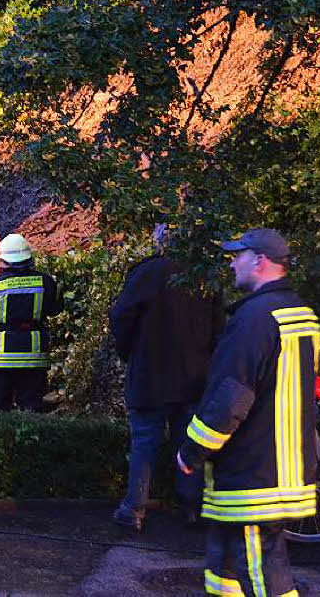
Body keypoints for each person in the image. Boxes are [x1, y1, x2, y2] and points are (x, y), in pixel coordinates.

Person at [177, 229, 320, 597]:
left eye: (237, 255)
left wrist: (191, 451)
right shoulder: (300, 314)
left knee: (261, 572)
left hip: (253, 474)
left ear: (260, 261)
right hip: (280, 468)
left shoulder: (254, 319)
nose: (231, 262)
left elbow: (230, 400)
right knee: (226, 565)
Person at [108, 224, 218, 532]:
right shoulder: (204, 276)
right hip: (194, 377)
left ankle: (134, 508)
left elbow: (121, 317)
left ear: (160, 242)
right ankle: (193, 507)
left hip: (150, 376)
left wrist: (129, 352)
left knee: (145, 442)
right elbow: (219, 327)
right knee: (190, 442)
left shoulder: (148, 273)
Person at [0, 234, 62, 412]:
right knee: (32, 406)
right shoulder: (45, 282)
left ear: (4, 260)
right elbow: (55, 309)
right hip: (34, 356)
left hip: (1, 358)